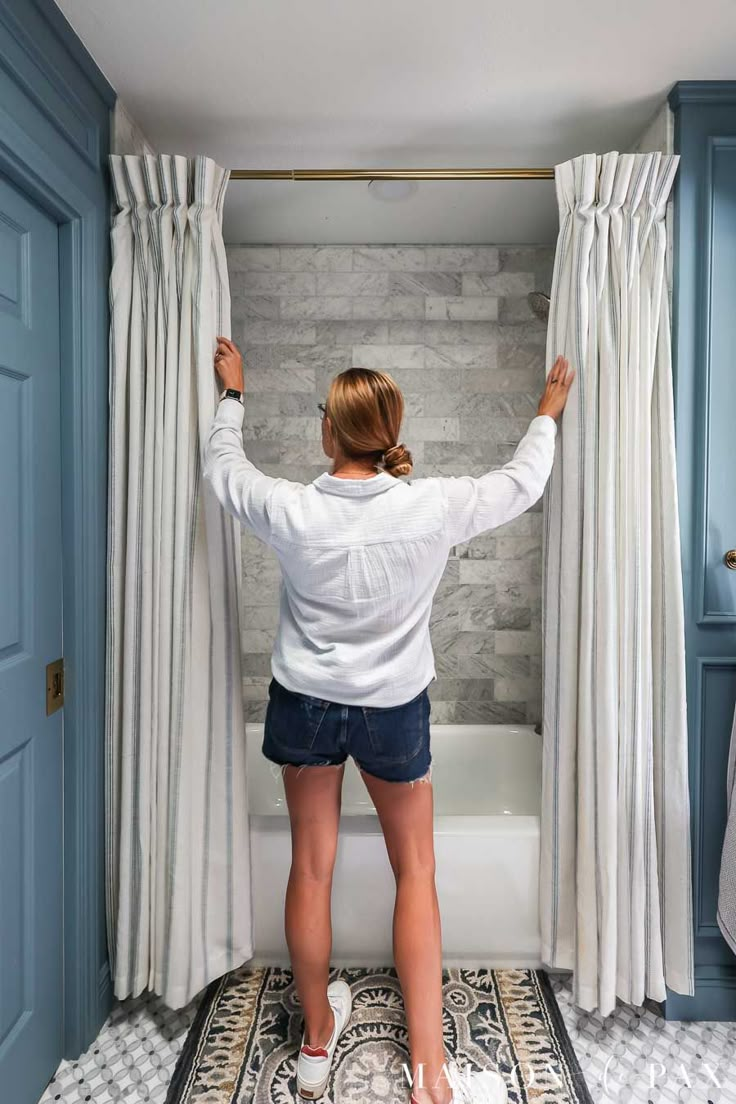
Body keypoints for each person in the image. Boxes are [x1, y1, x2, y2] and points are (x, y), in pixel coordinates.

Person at [203, 336, 574, 1104]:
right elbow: (522, 483)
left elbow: (223, 472)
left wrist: (232, 398)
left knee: (311, 867)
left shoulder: (293, 509)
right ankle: (431, 1072)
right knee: (418, 871)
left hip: (303, 706)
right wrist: (545, 415)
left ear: (331, 433)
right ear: (388, 434)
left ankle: (313, 1046)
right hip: (392, 712)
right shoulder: (431, 506)